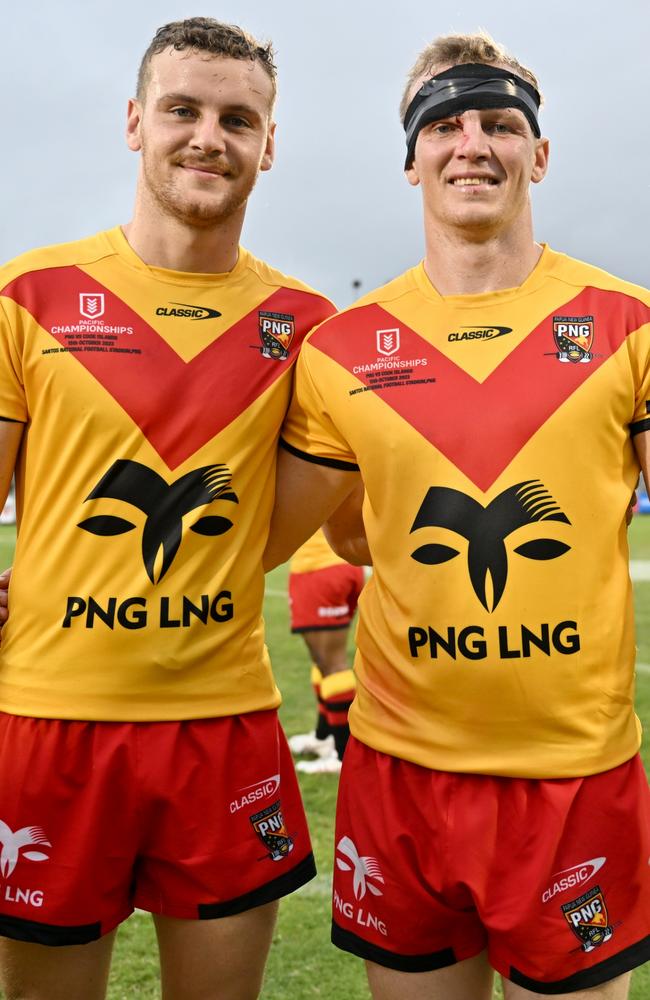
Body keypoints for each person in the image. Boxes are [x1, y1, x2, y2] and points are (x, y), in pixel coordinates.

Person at [264, 30, 650, 1000]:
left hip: (571, 781)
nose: (470, 141)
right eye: (443, 122)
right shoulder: (342, 350)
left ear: (539, 153)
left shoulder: (623, 324)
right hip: (401, 775)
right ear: (411, 159)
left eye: (499, 122)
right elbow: (259, 539)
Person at [0, 18, 335, 1000]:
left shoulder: (306, 327)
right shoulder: (33, 295)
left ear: (267, 144)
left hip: (223, 726)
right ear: (135, 120)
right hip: (50, 725)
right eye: (182, 110)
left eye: (238, 118)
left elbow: (285, 529)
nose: (207, 136)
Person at [286, 527, 364, 774]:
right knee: (323, 661)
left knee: (332, 664)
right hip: (346, 566)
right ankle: (324, 736)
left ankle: (342, 756)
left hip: (318, 567)